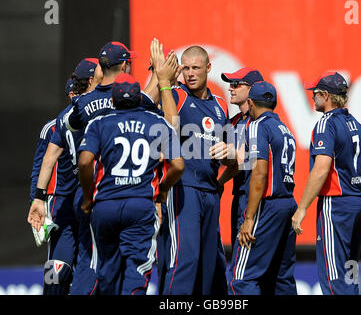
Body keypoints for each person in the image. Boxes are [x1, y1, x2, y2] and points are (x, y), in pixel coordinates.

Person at [78, 73, 184, 295]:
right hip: (140, 204)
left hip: (105, 205)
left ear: (113, 100)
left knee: (107, 268)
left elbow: (85, 161)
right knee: (138, 266)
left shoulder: (99, 123)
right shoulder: (157, 122)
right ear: (139, 99)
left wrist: (88, 198)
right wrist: (162, 190)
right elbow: (179, 165)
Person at [291, 72, 361, 295]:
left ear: (326, 95)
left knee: (333, 277)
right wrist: (352, 189)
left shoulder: (326, 124)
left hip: (335, 204)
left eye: (315, 93)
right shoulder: (356, 124)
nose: (312, 98)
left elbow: (321, 168)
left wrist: (302, 208)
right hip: (357, 202)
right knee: (350, 273)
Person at [160, 45, 232, 295]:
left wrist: (230, 152)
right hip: (183, 189)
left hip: (211, 192)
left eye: (196, 68)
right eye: (185, 68)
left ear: (208, 68)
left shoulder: (221, 105)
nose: (190, 74)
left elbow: (232, 157)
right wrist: (164, 84)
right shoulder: (176, 95)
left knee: (211, 264)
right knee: (184, 260)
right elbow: (169, 127)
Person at [27, 58, 101, 295]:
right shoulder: (53, 127)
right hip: (61, 203)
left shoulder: (101, 117)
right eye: (71, 91)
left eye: (76, 90)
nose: (73, 96)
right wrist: (36, 202)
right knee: (57, 267)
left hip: (87, 200)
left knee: (87, 264)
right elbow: (40, 166)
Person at [228, 81, 298, 295]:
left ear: (250, 102)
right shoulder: (284, 128)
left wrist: (249, 218)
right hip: (287, 203)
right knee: (281, 277)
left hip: (266, 205)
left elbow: (260, 172)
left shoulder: (258, 125)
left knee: (241, 279)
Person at [216, 67, 264, 248]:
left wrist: (220, 182)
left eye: (236, 84)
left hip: (255, 197)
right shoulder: (234, 121)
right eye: (230, 84)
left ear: (252, 89)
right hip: (240, 194)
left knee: (243, 259)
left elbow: (244, 162)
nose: (230, 88)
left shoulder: (260, 123)